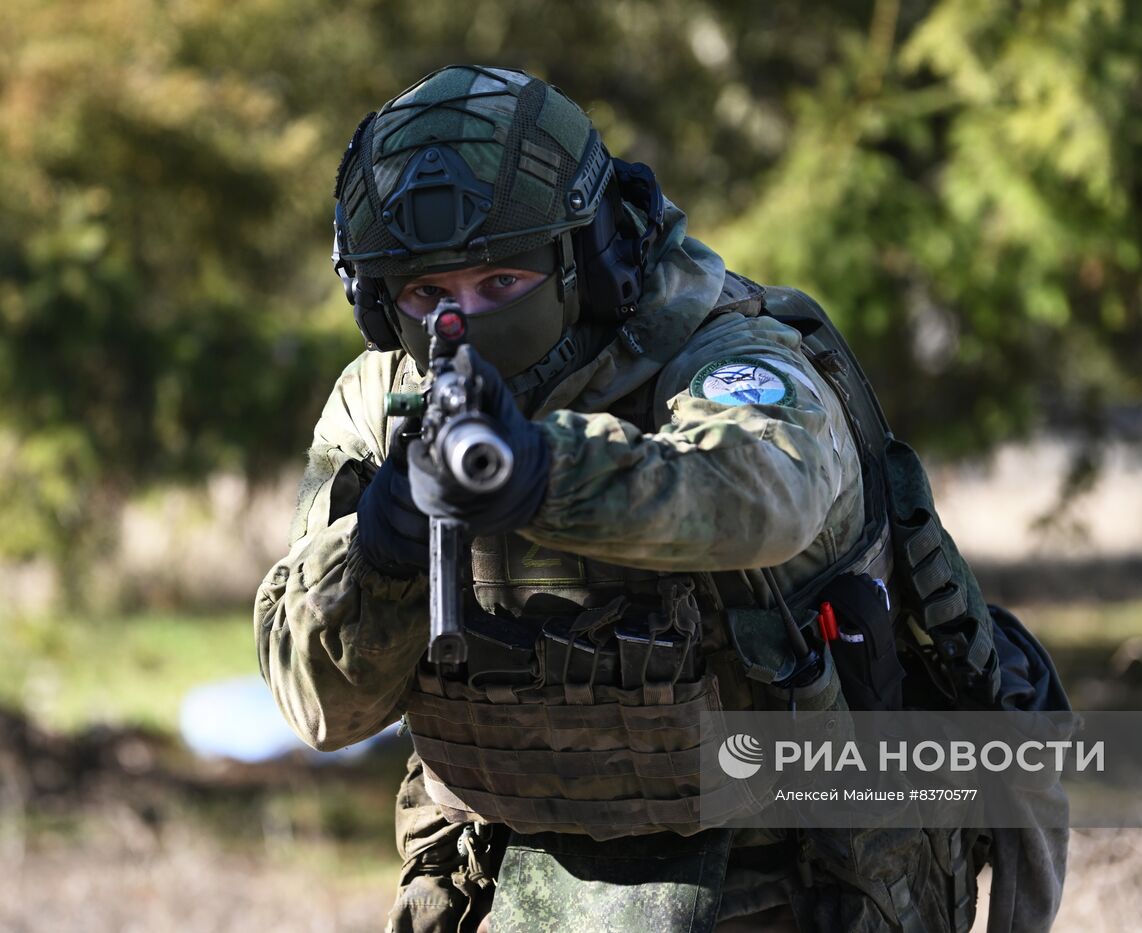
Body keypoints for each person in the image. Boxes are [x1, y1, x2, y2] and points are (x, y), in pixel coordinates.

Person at [255, 65, 1065, 932]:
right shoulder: (381, 404)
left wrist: (537, 472)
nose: (462, 324)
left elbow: (764, 492)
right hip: (524, 883)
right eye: (426, 294)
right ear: (377, 302)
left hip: (788, 879)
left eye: (500, 283)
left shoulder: (723, 350)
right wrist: (380, 549)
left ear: (589, 258)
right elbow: (320, 707)